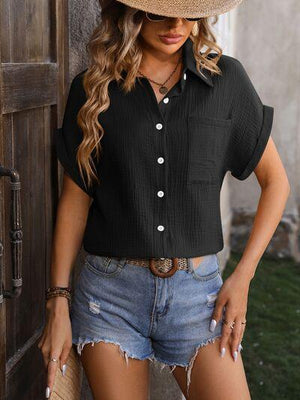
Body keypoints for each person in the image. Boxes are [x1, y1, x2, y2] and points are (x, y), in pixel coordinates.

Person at [38, 0, 290, 399]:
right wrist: (58, 303)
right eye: (158, 12)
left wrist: (243, 277)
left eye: (188, 13)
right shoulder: (92, 88)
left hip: (199, 300)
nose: (176, 25)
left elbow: (276, 183)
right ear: (128, 13)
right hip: (109, 298)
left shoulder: (226, 81)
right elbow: (75, 201)